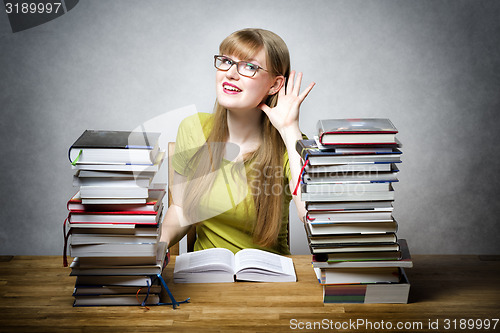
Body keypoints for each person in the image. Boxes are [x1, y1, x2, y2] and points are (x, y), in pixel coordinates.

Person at [161, 28, 314, 255]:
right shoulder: (193, 128)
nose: (230, 73)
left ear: (274, 85)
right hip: (205, 278)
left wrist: (290, 129)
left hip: (270, 280)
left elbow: (309, 216)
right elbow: (182, 209)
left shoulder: (291, 144)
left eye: (249, 67)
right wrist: (158, 245)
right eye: (226, 61)